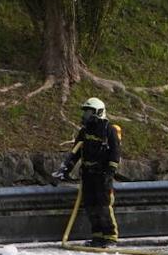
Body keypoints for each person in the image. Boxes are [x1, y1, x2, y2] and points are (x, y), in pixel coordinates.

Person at [51, 98, 122, 247]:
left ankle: (110, 237)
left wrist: (110, 172)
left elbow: (115, 153)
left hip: (102, 175)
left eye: (89, 112)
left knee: (103, 206)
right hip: (88, 175)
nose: (85, 116)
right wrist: (65, 170)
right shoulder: (85, 131)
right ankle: (97, 237)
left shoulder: (109, 130)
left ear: (99, 113)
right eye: (85, 112)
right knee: (90, 206)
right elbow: (75, 153)